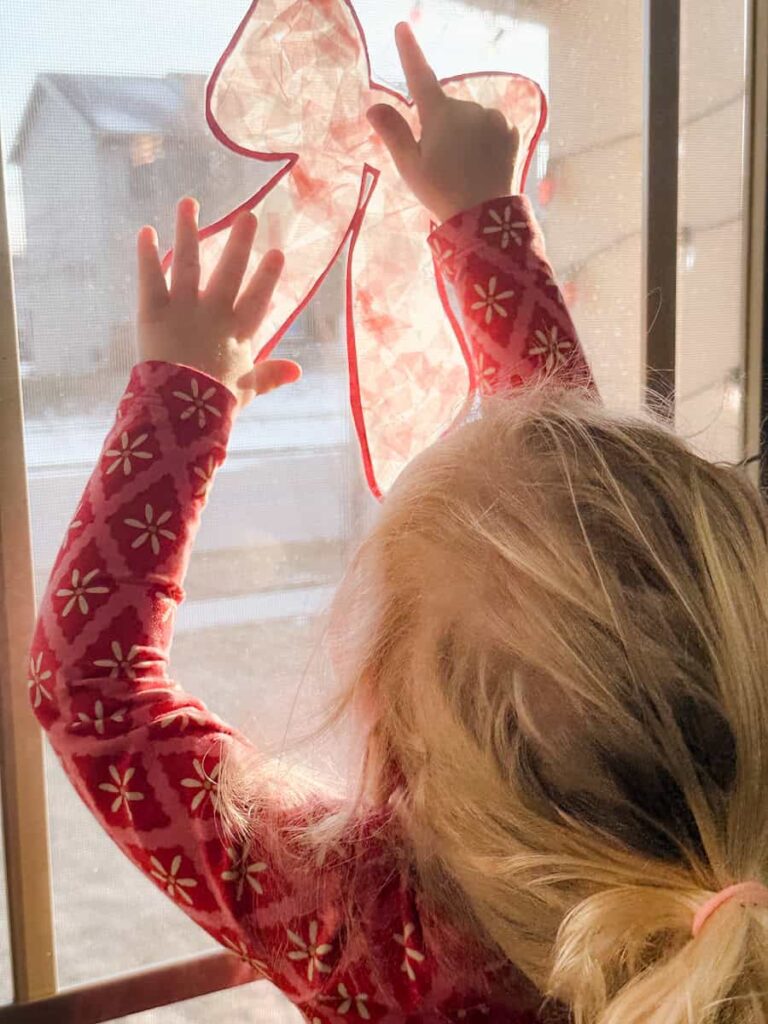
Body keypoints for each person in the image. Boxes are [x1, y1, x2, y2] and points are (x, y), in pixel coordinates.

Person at [28, 22, 768, 1024]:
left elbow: (91, 692)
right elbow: (597, 551)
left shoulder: (374, 929)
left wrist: (184, 394)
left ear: (400, 735)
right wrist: (487, 222)